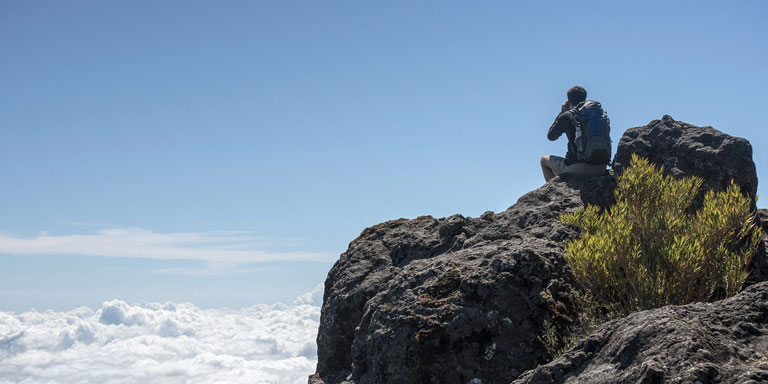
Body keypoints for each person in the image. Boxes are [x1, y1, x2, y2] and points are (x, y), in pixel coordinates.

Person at [540, 86, 610, 182]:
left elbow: (551, 136)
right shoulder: (598, 115)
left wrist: (562, 113)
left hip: (578, 169)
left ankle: (553, 189)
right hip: (601, 167)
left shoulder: (568, 115)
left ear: (569, 101)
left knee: (544, 160)